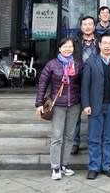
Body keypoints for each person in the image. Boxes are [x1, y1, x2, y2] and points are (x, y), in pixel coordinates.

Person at [35, 38, 82, 180]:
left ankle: (64, 165)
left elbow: (83, 83)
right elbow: (42, 83)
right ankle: (55, 167)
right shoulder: (52, 64)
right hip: (58, 105)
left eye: (70, 46)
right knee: (57, 137)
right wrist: (39, 103)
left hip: (74, 104)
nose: (68, 49)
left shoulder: (78, 64)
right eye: (65, 46)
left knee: (69, 137)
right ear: (60, 49)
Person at [81, 33, 110, 180]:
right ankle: (94, 167)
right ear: (99, 45)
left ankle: (107, 167)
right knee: (94, 138)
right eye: (104, 43)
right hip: (95, 105)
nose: (107, 46)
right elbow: (85, 85)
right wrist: (86, 104)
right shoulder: (91, 62)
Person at [72, 16, 98, 155]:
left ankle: (93, 141)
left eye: (90, 24)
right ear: (81, 27)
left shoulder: (100, 41)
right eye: (85, 24)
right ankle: (75, 142)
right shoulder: (74, 42)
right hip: (77, 81)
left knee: (94, 114)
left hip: (96, 82)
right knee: (75, 114)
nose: (87, 27)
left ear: (94, 26)